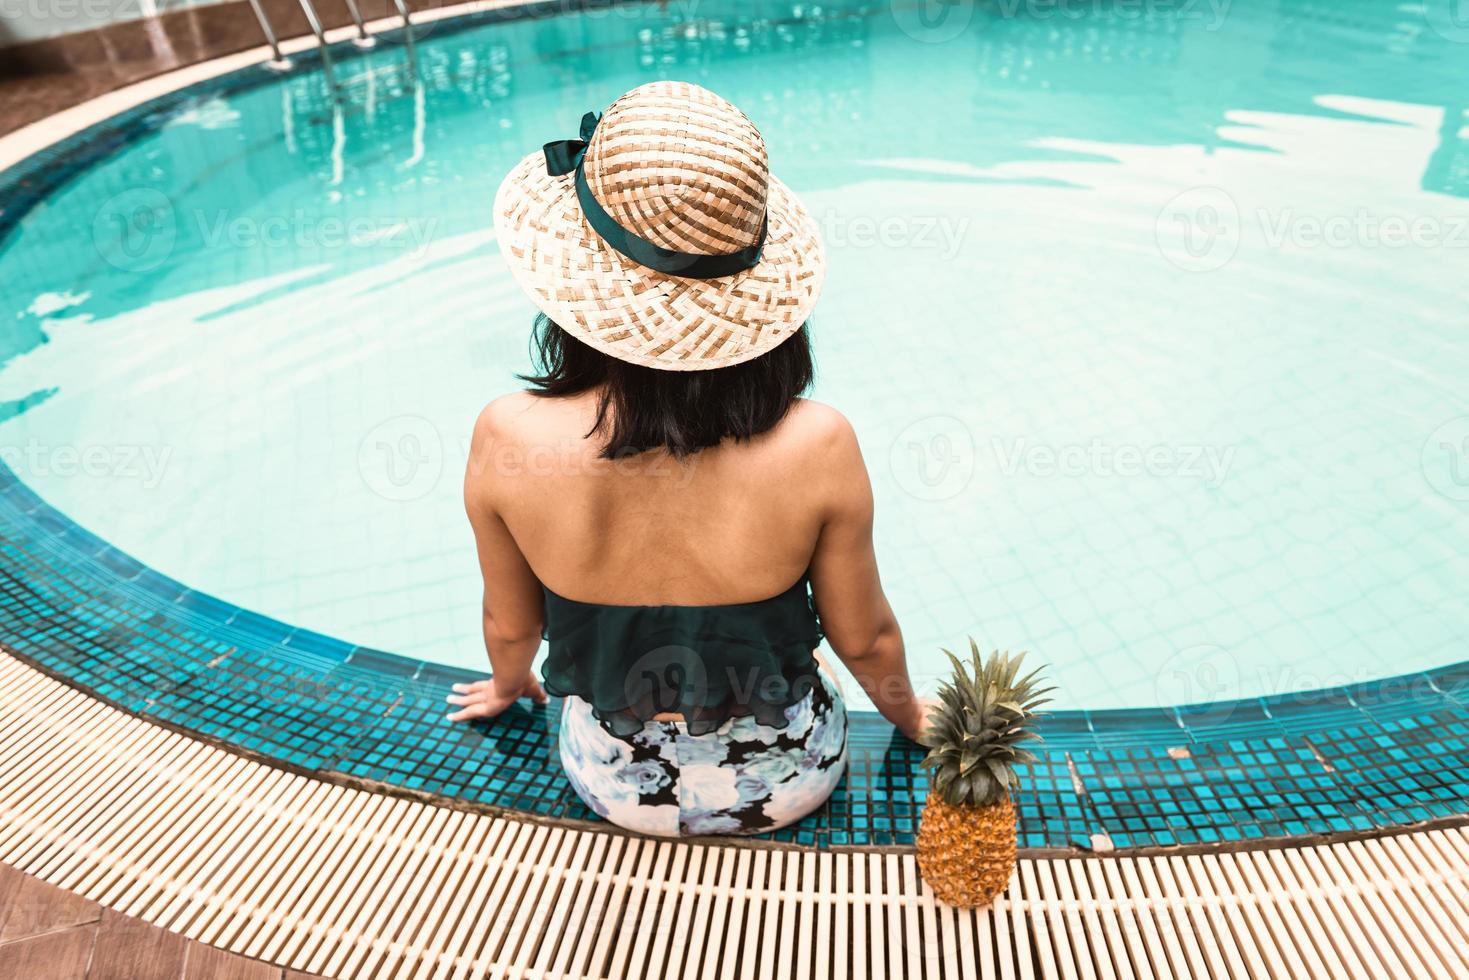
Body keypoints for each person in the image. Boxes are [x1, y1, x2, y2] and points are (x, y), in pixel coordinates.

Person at [450, 80, 926, 837]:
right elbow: (863, 639)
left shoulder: (507, 437)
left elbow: (510, 627)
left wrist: (506, 687)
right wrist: (912, 716)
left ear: (575, 298)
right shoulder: (818, 443)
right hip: (789, 781)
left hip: (614, 787)